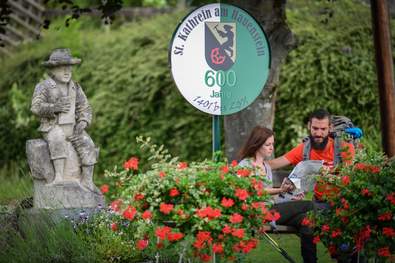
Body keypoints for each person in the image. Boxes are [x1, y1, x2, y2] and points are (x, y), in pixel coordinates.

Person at [238, 126, 317, 263]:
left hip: (271, 209)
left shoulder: (266, 166)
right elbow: (254, 191)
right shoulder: (245, 165)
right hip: (257, 213)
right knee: (309, 205)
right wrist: (280, 190)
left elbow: (268, 196)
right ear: (257, 144)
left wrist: (290, 196)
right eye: (268, 144)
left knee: (306, 220)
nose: (271, 148)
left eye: (272, 144)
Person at [31, 48, 97, 190]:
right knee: (57, 138)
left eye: (69, 69)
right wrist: (54, 107)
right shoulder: (44, 87)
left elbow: (84, 107)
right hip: (52, 126)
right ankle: (59, 176)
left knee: (87, 142)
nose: (67, 72)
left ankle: (87, 180)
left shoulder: (75, 87)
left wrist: (83, 122)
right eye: (62, 69)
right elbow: (35, 107)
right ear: (52, 70)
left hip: (72, 128)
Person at [268, 109, 355, 203]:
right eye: (315, 128)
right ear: (309, 126)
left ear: (330, 128)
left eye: (323, 129)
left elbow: (349, 179)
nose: (318, 133)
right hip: (317, 201)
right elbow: (273, 164)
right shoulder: (305, 149)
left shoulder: (344, 148)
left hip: (341, 202)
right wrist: (252, 164)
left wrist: (328, 176)